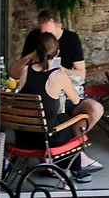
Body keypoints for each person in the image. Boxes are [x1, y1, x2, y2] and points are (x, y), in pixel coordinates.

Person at [9, 9, 104, 174]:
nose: (46, 37)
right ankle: (74, 159)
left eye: (50, 33)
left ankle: (64, 159)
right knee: (60, 120)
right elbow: (15, 72)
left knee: (94, 109)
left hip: (30, 130)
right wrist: (33, 54)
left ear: (59, 27)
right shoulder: (35, 41)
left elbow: (81, 74)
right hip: (49, 114)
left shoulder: (71, 40)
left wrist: (63, 71)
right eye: (43, 34)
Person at [16, 32, 92, 183]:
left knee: (60, 122)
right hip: (46, 139)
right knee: (69, 123)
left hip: (23, 137)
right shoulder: (58, 76)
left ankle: (62, 169)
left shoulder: (25, 71)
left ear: (36, 52)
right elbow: (76, 100)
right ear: (57, 53)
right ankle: (71, 173)